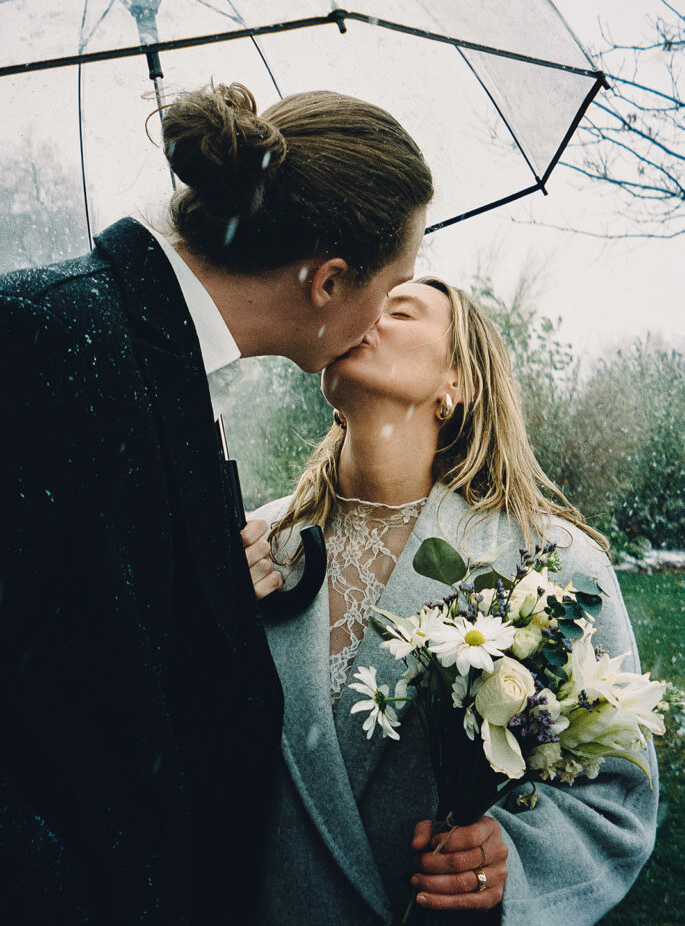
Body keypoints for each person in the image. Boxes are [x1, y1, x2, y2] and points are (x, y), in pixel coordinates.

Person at [0, 82, 432, 924]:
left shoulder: (154, 362)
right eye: (395, 285)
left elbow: (82, 637)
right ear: (330, 281)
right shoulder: (46, 336)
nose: (382, 318)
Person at [251, 278, 658, 926]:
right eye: (357, 300)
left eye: (398, 309)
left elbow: (615, 791)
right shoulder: (251, 547)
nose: (363, 312)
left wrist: (513, 855)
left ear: (457, 383)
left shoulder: (554, 566)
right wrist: (203, 611)